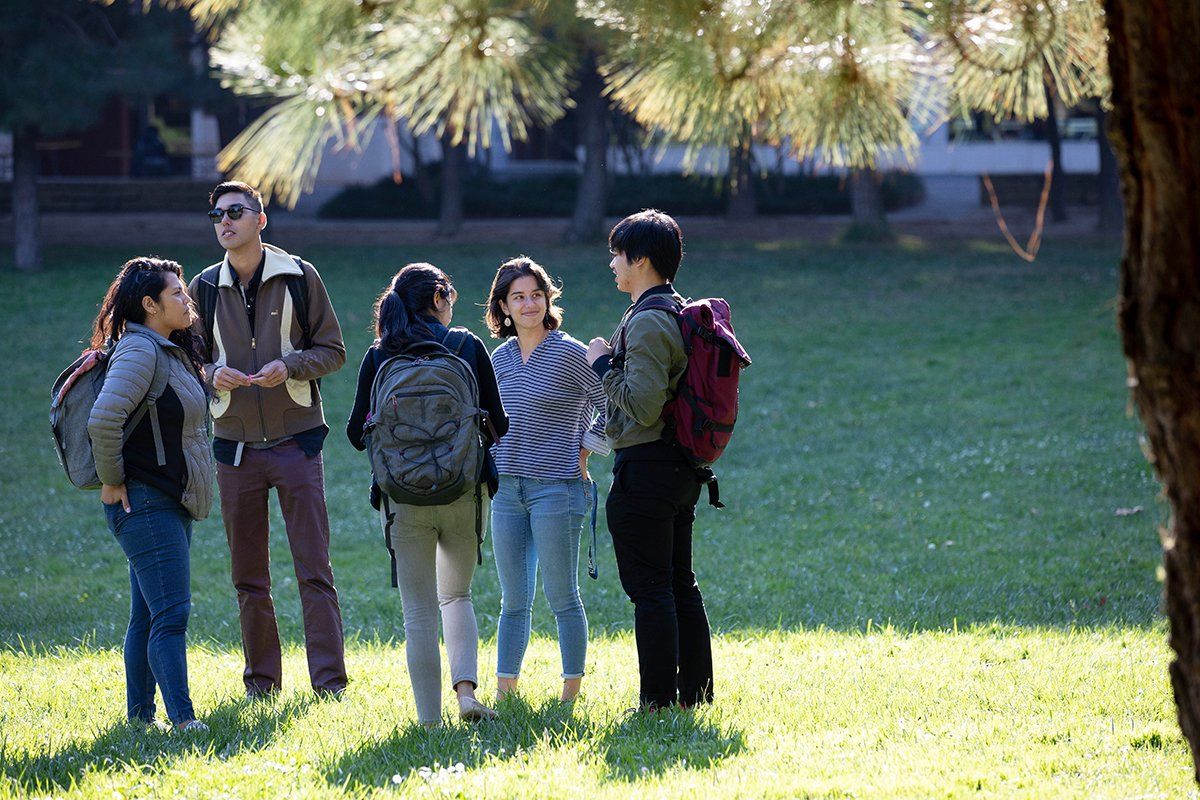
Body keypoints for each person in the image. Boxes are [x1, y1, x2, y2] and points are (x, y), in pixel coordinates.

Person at [189, 181, 348, 698]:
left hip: (296, 442)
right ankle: (262, 685)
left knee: (313, 570)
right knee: (248, 578)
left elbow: (334, 350)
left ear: (261, 219)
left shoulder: (301, 276)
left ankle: (330, 684)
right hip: (233, 449)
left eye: (236, 211)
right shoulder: (204, 288)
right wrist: (213, 373)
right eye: (217, 215)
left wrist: (292, 365)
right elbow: (186, 362)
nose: (225, 221)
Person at [346, 263, 509, 726]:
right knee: (456, 597)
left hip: (402, 502)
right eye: (450, 293)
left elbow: (357, 434)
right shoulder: (465, 345)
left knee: (417, 614)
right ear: (438, 298)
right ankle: (466, 697)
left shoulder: (379, 356)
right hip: (464, 493)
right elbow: (499, 425)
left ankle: (428, 723)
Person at [585, 209, 714, 711]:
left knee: (653, 589)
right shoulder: (675, 312)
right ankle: (694, 697)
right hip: (679, 466)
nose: (612, 263)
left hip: (647, 466)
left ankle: (657, 701)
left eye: (617, 254)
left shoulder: (648, 323)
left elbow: (640, 404)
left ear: (640, 260)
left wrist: (600, 364)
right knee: (680, 583)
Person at [87, 256, 213, 732]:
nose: (187, 300)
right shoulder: (140, 351)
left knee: (147, 615)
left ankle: (140, 720)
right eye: (176, 294)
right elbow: (104, 419)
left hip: (165, 501)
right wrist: (113, 479)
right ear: (149, 304)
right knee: (171, 616)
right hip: (145, 500)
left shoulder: (162, 349)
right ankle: (184, 722)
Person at [483, 256, 608, 703]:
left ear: (547, 299)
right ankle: (505, 692)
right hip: (507, 493)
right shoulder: (498, 359)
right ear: (504, 306)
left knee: (562, 596)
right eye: (518, 297)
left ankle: (571, 692)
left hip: (559, 488)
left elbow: (613, 404)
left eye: (536, 294)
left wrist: (585, 447)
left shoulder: (571, 353)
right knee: (513, 601)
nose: (529, 303)